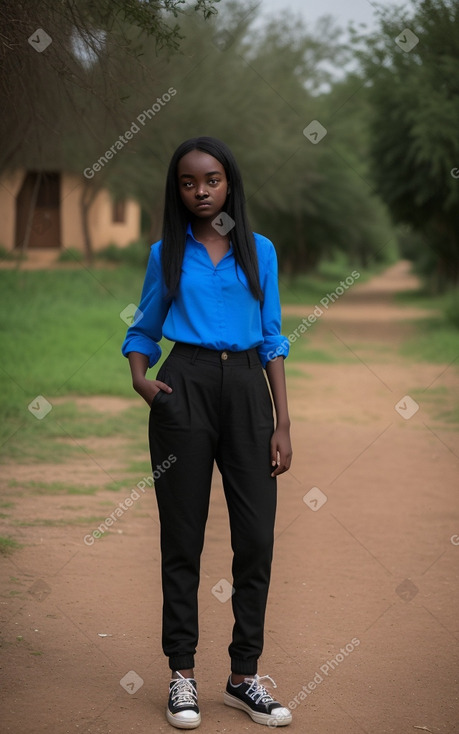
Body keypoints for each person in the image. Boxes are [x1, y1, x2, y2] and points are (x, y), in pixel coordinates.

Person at [121, 136, 293, 729]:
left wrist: (283, 423)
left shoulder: (259, 251)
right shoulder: (166, 252)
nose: (201, 191)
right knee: (183, 537)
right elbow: (144, 326)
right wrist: (143, 381)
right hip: (184, 387)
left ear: (229, 184)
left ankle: (244, 677)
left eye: (212, 180)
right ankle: (182, 677)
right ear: (178, 189)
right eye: (189, 183)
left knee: (257, 539)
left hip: (247, 391)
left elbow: (272, 337)